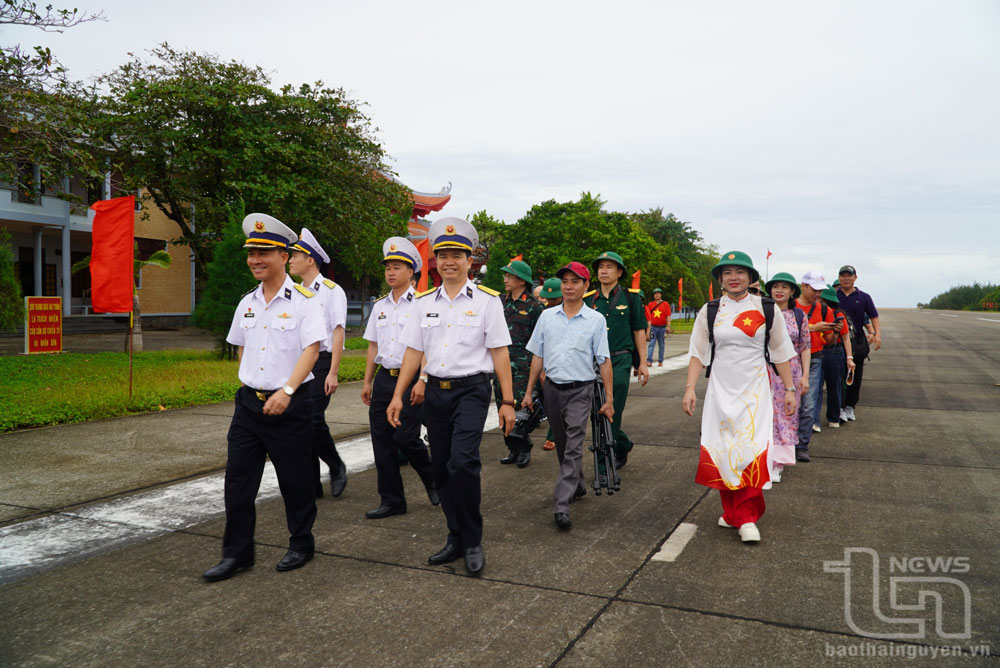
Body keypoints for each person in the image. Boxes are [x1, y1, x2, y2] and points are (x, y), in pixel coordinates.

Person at [387, 217, 515, 576]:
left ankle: (473, 540)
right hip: (436, 394)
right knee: (442, 467)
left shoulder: (488, 301)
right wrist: (398, 395)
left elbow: (500, 352)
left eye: (456, 254)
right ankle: (454, 535)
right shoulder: (424, 301)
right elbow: (413, 351)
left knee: (463, 463)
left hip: (472, 390)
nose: (449, 261)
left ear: (469, 260)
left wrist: (507, 402)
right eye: (442, 255)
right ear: (435, 261)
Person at [203, 214, 326, 582]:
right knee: (238, 481)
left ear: (284, 256)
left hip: (290, 404)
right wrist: (254, 386)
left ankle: (301, 543)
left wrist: (286, 390)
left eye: (263, 252)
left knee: (296, 480)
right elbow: (241, 347)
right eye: (251, 253)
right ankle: (237, 553)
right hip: (249, 406)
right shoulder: (247, 303)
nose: (255, 259)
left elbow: (313, 349)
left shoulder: (305, 301)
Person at [682, 251, 797, 543]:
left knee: (752, 449)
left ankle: (747, 518)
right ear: (720, 279)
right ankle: (731, 512)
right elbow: (698, 352)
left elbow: (781, 351)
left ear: (750, 277)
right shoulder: (710, 311)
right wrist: (689, 389)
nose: (733, 278)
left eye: (740, 272)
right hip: (721, 391)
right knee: (722, 449)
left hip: (755, 391)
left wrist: (790, 389)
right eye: (727, 273)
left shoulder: (766, 308)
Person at [523, 262, 613, 530]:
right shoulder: (547, 317)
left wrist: (609, 399)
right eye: (565, 282)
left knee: (574, 445)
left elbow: (604, 360)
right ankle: (579, 484)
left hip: (580, 390)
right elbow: (537, 355)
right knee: (562, 444)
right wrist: (529, 392)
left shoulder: (596, 320)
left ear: (586, 286)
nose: (569, 286)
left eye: (575, 282)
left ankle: (561, 504)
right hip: (551, 389)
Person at [360, 237, 439, 519]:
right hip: (384, 378)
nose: (390, 273)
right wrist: (367, 381)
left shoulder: (422, 303)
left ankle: (431, 478)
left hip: (412, 379)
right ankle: (392, 499)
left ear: (411, 271)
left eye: (397, 267)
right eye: (387, 268)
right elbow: (372, 346)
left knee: (406, 437)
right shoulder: (380, 306)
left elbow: (428, 345)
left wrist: (424, 379)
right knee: (381, 442)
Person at [288, 229, 349, 498]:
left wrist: (333, 372)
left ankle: (336, 466)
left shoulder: (331, 292)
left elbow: (338, 331)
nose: (290, 260)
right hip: (300, 361)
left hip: (322, 361)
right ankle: (312, 483)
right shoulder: (295, 293)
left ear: (310, 259)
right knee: (301, 422)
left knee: (313, 419)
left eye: (295, 256)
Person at [583, 251, 649, 472]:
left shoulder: (632, 298)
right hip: (594, 362)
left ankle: (603, 463)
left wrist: (643, 362)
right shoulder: (588, 299)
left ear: (619, 272)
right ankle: (622, 443)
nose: (604, 270)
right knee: (594, 410)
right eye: (601, 266)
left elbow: (639, 331)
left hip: (620, 359)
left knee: (612, 409)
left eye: (609, 267)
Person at [763, 272, 810, 482]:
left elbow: (805, 347)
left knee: (785, 415)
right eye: (775, 286)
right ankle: (762, 458)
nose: (779, 290)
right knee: (765, 414)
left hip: (790, 373)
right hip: (764, 370)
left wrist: (806, 375)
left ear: (792, 292)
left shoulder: (799, 316)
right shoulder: (761, 313)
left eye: (784, 287)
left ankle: (777, 462)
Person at [496, 259, 544, 467]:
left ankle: (524, 446)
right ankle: (512, 448)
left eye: (510, 276)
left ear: (522, 281)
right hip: (500, 365)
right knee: (501, 406)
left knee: (520, 412)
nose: (505, 279)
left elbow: (540, 342)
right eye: (505, 276)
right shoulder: (498, 302)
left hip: (523, 368)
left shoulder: (534, 307)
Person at [794, 270, 837, 462]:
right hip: (790, 359)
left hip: (814, 358)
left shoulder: (825, 310)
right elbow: (785, 328)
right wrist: (814, 327)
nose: (818, 295)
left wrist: (831, 331)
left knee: (809, 405)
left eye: (820, 291)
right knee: (788, 402)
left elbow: (828, 340)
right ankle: (786, 441)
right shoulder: (790, 305)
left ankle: (802, 445)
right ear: (803, 286)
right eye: (814, 290)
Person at [836, 265, 881, 421]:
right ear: (839, 278)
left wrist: (876, 334)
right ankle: (840, 407)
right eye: (843, 275)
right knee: (839, 376)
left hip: (858, 342)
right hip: (836, 341)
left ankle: (850, 407)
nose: (846, 278)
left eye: (849, 275)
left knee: (855, 375)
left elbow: (873, 316)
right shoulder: (834, 295)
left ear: (855, 277)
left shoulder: (863, 297)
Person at [817, 286, 856, 428]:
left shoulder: (838, 315)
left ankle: (834, 417)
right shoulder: (812, 312)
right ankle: (814, 421)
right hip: (817, 351)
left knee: (835, 386)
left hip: (834, 352)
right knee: (816, 387)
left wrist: (849, 358)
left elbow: (846, 339)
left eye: (821, 298)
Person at [538, 277, 563, 452]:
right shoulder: (543, 314)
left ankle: (553, 435)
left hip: (567, 363)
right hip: (546, 361)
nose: (551, 302)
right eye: (548, 299)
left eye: (554, 298)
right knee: (549, 400)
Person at [644, 287, 673, 367]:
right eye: (655, 294)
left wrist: (668, 326)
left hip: (662, 328)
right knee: (651, 344)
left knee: (661, 345)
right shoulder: (650, 304)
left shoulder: (665, 304)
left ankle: (660, 361)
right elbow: (648, 316)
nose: (657, 295)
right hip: (653, 327)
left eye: (658, 294)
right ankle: (649, 360)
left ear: (661, 295)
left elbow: (668, 315)